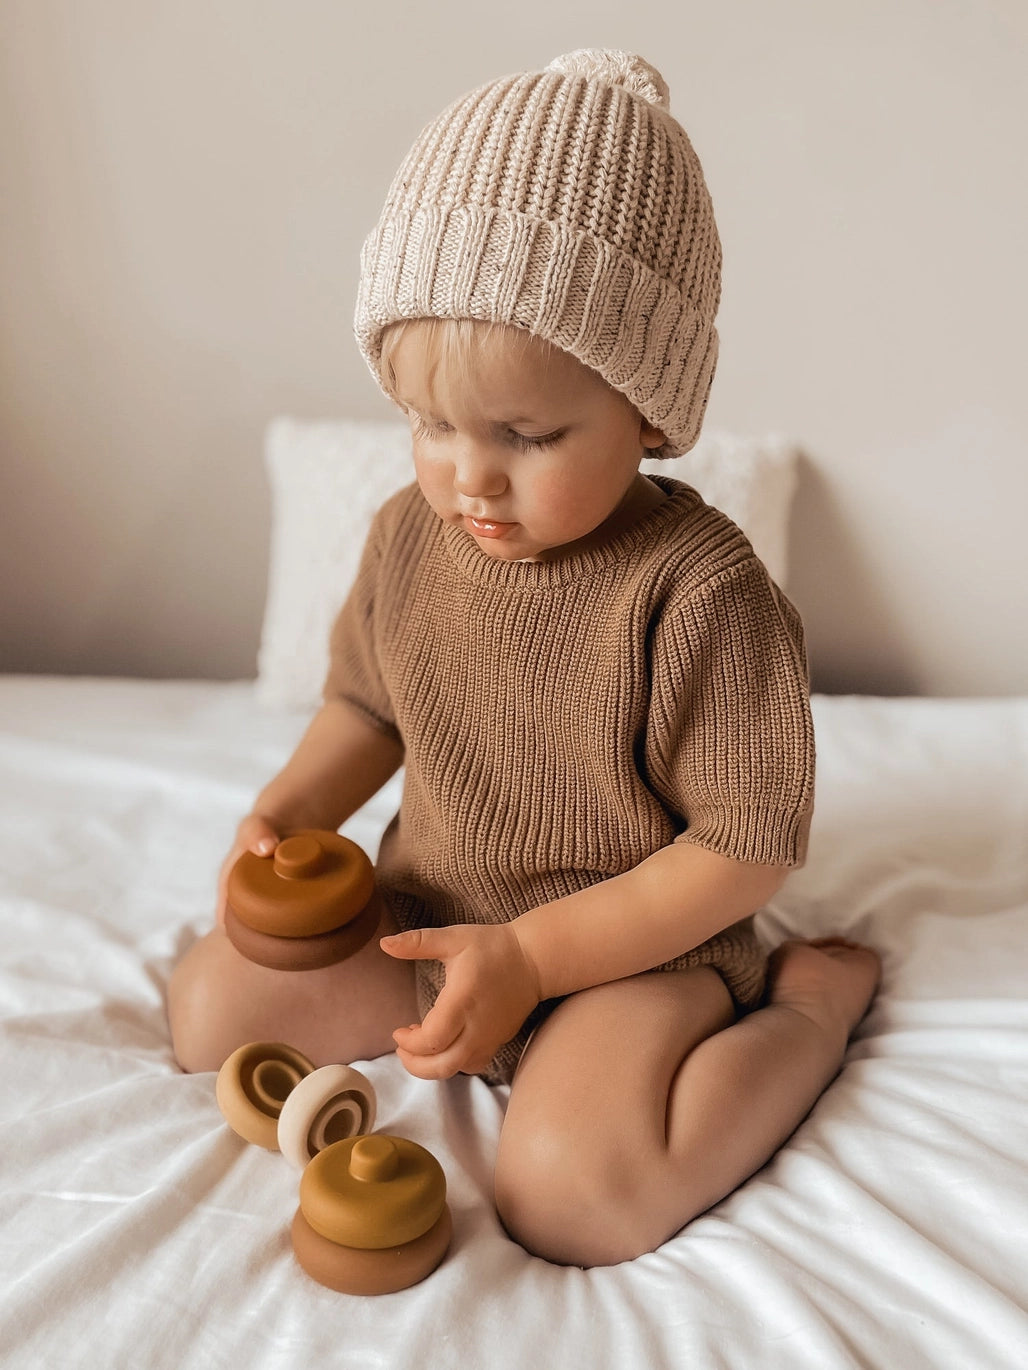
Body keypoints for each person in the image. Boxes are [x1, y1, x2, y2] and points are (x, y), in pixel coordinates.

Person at [169, 49, 880, 1268]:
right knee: (207, 1007)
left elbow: (744, 843)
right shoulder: (410, 535)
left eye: (527, 433)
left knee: (572, 1196)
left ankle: (804, 1018)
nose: (467, 474)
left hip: (624, 958)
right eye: (428, 423)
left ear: (647, 406)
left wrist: (535, 958)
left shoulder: (700, 591)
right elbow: (366, 705)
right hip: (435, 922)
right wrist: (291, 804)